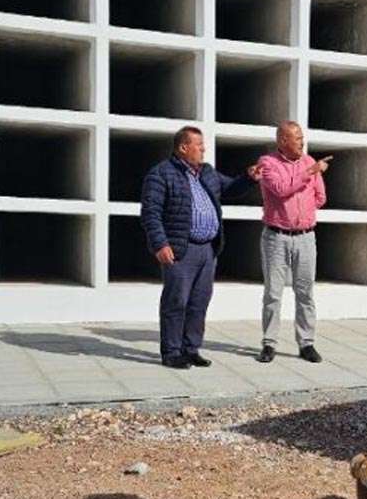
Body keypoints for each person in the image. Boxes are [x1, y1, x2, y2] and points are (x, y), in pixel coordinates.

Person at [141, 125, 259, 369]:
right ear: (184, 147)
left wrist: (249, 178)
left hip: (207, 250)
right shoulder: (161, 174)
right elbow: (150, 213)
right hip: (180, 249)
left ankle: (191, 348)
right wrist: (160, 244)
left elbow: (231, 188)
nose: (204, 150)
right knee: (176, 302)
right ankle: (172, 352)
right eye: (199, 145)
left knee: (199, 302)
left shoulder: (207, 173)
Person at [255, 120, 329, 363]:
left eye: (301, 137)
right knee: (273, 293)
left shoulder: (309, 162)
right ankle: (269, 344)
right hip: (276, 237)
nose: (302, 141)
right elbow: (280, 189)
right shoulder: (268, 163)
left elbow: (320, 197)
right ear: (283, 141)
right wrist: (308, 174)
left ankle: (306, 343)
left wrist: (303, 209)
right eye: (296, 138)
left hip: (306, 237)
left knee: (305, 292)